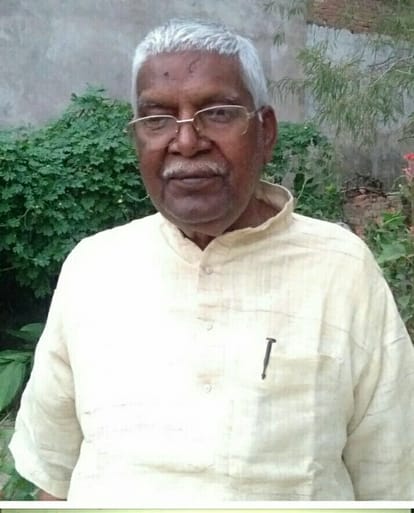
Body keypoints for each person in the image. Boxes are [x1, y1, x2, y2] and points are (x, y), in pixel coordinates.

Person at [9, 18, 414, 502]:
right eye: (157, 119)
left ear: (265, 131)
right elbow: (54, 476)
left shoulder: (341, 271)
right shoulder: (93, 270)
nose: (185, 142)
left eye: (218, 113)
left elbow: (392, 477)